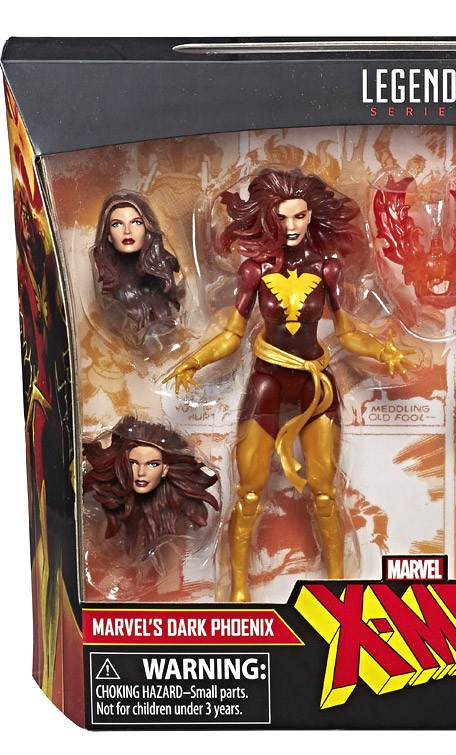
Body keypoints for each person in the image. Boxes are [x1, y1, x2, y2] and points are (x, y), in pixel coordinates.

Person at [164, 169, 414, 602]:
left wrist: (383, 351)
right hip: (268, 381)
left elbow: (347, 332)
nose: (292, 225)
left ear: (311, 217)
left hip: (316, 384)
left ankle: (339, 587)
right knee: (248, 492)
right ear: (269, 219)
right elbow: (232, 335)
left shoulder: (328, 268)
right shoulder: (254, 271)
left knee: (324, 492)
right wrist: (194, 361)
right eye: (282, 217)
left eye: (299, 216)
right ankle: (238, 592)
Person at [83, 416, 219, 549]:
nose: (141, 472)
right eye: (133, 463)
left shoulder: (175, 513)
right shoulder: (101, 504)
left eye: (152, 464)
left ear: (165, 469)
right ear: (122, 464)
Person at [91, 192, 181, 343]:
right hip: (124, 346)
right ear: (108, 234)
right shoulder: (108, 286)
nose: (127, 231)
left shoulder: (164, 272)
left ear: (147, 228)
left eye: (136, 222)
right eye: (117, 224)